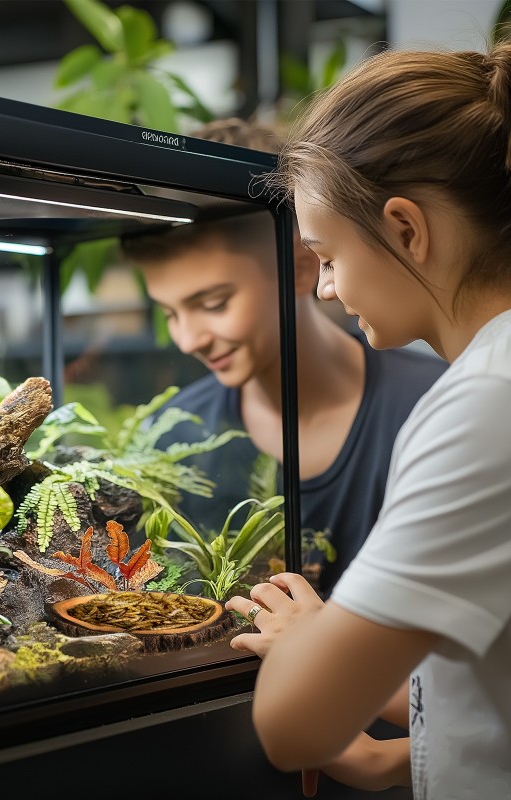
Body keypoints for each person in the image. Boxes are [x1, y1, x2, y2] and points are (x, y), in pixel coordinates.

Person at [226, 43, 511, 798]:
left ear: (406, 229)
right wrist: (395, 753)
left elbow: (292, 728)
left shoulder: (482, 405)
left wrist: (307, 649)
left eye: (327, 255)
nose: (322, 289)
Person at [121, 117, 447, 598]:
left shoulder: (435, 404)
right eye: (169, 312)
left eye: (213, 304)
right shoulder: (173, 436)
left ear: (300, 266)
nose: (188, 340)